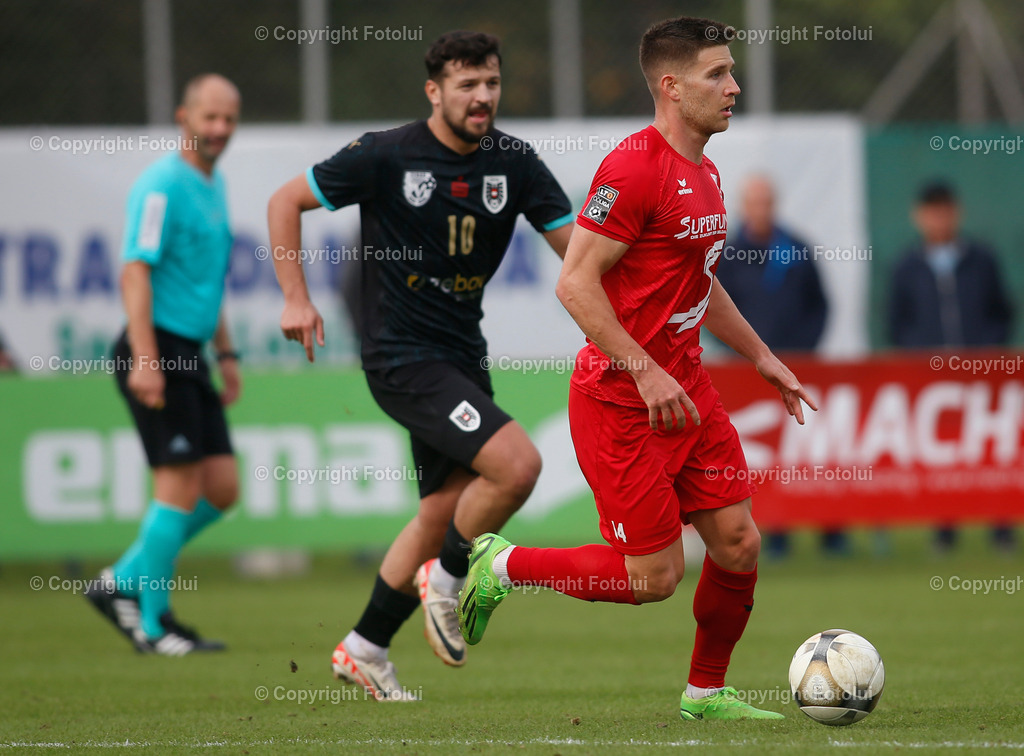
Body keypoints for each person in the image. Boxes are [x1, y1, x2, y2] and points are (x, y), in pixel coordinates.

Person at [457, 16, 816, 721]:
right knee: (654, 579)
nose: (734, 86)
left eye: (733, 71)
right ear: (671, 86)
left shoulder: (707, 172)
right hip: (624, 401)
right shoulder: (632, 168)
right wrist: (646, 371)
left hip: (688, 391)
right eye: (718, 74)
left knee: (739, 542)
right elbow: (576, 282)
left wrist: (762, 355)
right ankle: (499, 564)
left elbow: (698, 281)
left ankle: (706, 694)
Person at [267, 31, 573, 701]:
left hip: (463, 352)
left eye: (491, 82)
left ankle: (365, 647)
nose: (482, 96)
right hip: (402, 355)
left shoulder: (514, 163)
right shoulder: (385, 154)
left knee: (441, 508)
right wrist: (296, 298)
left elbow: (575, 254)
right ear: (434, 91)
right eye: (467, 84)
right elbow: (284, 201)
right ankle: (450, 575)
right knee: (518, 466)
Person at [85, 74, 243, 655]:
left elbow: (209, 280)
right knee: (175, 488)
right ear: (184, 117)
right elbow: (135, 270)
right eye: (209, 117)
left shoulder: (214, 183)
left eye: (229, 118)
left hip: (191, 353)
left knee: (222, 487)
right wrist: (147, 359)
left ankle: (121, 582)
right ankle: (151, 626)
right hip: (156, 349)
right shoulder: (160, 184)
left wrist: (225, 354)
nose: (220, 129)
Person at [715, 175, 843, 559]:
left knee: (814, 455)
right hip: (746, 377)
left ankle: (831, 532)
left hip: (798, 372)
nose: (761, 210)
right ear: (743, 207)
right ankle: (774, 531)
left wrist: (799, 355)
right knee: (760, 456)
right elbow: (710, 308)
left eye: (766, 202)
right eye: (754, 202)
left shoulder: (796, 250)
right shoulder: (728, 254)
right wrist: (746, 356)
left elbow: (820, 306)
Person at [888, 180, 1016, 554]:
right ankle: (945, 529)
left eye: (945, 211)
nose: (939, 219)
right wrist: (921, 357)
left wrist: (988, 352)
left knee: (991, 450)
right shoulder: (907, 265)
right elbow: (898, 322)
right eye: (932, 212)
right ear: (919, 216)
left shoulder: (982, 258)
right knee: (942, 453)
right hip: (932, 380)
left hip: (982, 377)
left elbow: (1002, 311)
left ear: (956, 212)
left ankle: (1001, 526)